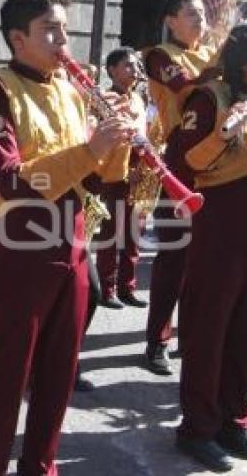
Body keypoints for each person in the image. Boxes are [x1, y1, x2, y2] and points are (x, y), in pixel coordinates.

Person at [0, 0, 132, 475]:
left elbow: (98, 177)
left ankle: (40, 466)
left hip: (74, 236)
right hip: (24, 242)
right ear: (18, 38)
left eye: (64, 27)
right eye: (50, 29)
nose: (64, 39)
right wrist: (89, 150)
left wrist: (120, 139)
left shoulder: (68, 86)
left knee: (60, 372)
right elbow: (11, 179)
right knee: (9, 374)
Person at [173, 21, 247, 472]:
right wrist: (226, 130)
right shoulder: (209, 99)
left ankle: (233, 420)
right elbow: (182, 162)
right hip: (222, 223)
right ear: (246, 62)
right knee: (209, 326)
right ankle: (198, 427)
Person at [143, 0, 221, 376]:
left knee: (206, 257)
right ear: (170, 20)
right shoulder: (161, 56)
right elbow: (190, 92)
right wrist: (226, 61)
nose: (200, 19)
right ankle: (157, 339)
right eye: (191, 13)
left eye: (202, 13)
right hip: (179, 158)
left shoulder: (211, 54)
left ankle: (191, 336)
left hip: (220, 160)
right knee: (174, 255)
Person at [94, 47, 148, 309]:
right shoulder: (104, 98)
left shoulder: (139, 99)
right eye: (128, 65)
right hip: (113, 175)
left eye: (137, 65)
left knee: (134, 236)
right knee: (110, 235)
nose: (135, 70)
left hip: (138, 177)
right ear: (112, 70)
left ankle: (128, 287)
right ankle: (107, 288)